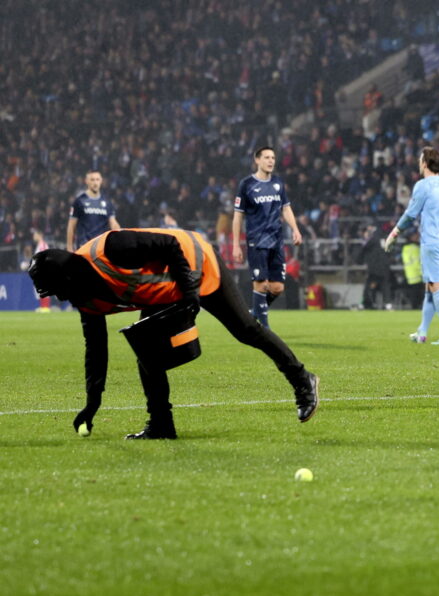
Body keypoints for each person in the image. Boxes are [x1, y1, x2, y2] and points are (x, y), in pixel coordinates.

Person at [27, 228, 319, 439]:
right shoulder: (85, 299)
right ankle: (161, 425)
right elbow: (96, 350)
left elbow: (168, 244)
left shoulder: (111, 247)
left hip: (196, 264)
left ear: (67, 277)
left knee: (246, 330)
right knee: (146, 350)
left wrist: (191, 292)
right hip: (163, 293)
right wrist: (93, 403)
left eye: (57, 290)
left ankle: (302, 380)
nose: (60, 298)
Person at [384, 146, 439, 345]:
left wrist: (394, 233)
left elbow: (410, 214)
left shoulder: (423, 185)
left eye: (420, 160)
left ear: (425, 163)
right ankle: (422, 331)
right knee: (431, 287)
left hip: (433, 243)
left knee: (438, 288)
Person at [231, 146, 304, 330]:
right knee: (261, 285)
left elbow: (285, 208)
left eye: (273, 157)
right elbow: (238, 215)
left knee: (278, 288)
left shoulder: (278, 183)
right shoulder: (246, 184)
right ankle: (264, 328)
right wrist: (235, 245)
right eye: (267, 157)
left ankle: (256, 311)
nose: (271, 161)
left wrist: (295, 229)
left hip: (277, 241)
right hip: (257, 241)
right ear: (257, 160)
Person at [66, 171, 120, 251]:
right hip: (83, 248)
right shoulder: (79, 201)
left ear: (101, 181)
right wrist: (69, 248)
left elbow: (113, 223)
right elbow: (71, 226)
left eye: (97, 179)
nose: (95, 183)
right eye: (92, 180)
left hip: (101, 250)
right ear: (86, 181)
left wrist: (119, 232)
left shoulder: (107, 202)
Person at [359, 224, 396, 310]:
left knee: (369, 285)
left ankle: (365, 303)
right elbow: (390, 251)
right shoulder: (383, 238)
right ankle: (388, 303)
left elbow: (364, 249)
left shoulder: (372, 238)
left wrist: (359, 260)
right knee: (385, 285)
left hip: (374, 267)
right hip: (385, 266)